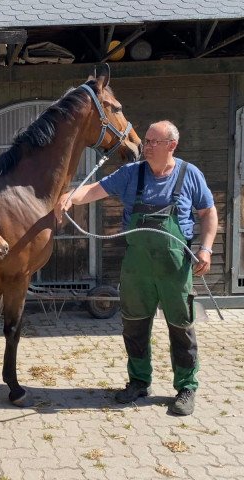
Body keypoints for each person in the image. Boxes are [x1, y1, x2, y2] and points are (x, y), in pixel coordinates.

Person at [54, 120, 217, 415]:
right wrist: (69, 198)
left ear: (172, 146)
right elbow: (93, 190)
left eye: (154, 142)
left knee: (181, 328)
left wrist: (205, 248)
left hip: (175, 266)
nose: (147, 146)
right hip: (137, 266)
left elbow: (208, 213)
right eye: (147, 141)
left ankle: (186, 387)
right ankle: (139, 381)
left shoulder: (188, 174)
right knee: (135, 326)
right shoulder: (132, 173)